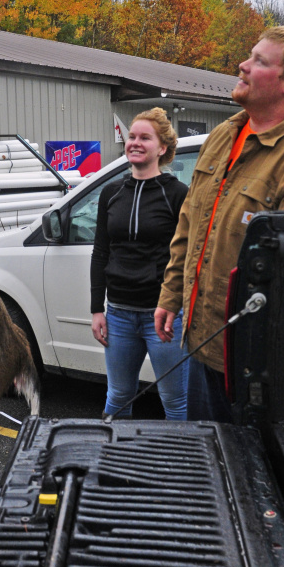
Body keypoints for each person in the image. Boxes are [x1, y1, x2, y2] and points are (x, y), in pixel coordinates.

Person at [154, 26, 284, 423]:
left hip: (257, 373)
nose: (243, 65)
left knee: (247, 480)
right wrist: (171, 295)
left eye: (260, 61)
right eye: (250, 56)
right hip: (200, 346)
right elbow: (190, 225)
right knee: (209, 470)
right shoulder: (222, 137)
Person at [91, 108, 189, 419]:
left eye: (145, 137)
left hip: (164, 316)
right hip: (119, 314)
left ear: (162, 148)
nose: (135, 142)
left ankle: (180, 464)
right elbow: (101, 252)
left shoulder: (177, 194)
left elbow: (188, 255)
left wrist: (176, 305)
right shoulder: (111, 192)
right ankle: (114, 459)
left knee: (174, 400)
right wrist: (97, 309)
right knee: (119, 394)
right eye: (131, 136)